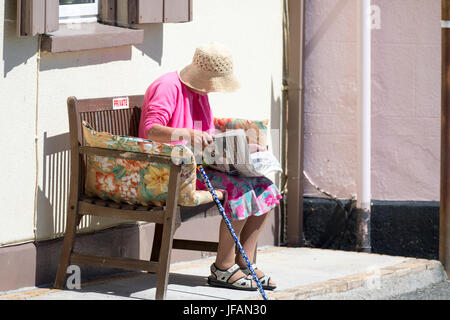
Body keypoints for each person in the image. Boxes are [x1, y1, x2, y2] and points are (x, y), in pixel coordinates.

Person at [138, 42, 282, 291]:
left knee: (265, 187)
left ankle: (244, 261)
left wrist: (246, 150)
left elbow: (207, 136)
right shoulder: (167, 87)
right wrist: (184, 133)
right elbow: (151, 130)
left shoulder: (200, 92)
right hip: (170, 170)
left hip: (198, 164)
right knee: (240, 190)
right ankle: (223, 267)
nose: (215, 88)